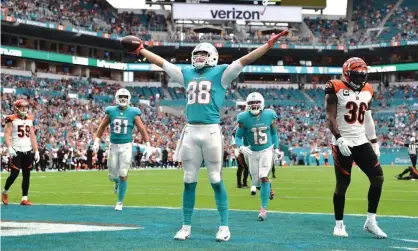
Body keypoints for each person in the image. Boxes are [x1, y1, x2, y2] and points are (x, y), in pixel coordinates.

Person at [131, 30, 288, 241]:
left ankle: (224, 226)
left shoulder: (221, 73)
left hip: (211, 130)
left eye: (203, 54)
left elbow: (245, 59)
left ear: (212, 56)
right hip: (190, 131)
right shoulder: (187, 74)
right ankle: (186, 226)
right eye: (196, 55)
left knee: (215, 179)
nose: (198, 58)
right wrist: (142, 50)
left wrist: (268, 45)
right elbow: (164, 64)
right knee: (188, 180)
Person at [325, 57, 386, 238]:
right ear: (346, 74)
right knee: (343, 184)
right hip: (342, 142)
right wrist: (339, 138)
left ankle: (371, 221)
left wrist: (374, 141)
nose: (360, 79)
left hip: (361, 141)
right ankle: (339, 224)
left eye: (362, 75)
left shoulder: (368, 89)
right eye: (356, 75)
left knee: (378, 178)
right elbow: (330, 117)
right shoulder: (335, 87)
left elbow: (367, 117)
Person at [94, 88, 150, 211]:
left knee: (123, 172)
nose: (123, 99)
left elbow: (141, 129)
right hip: (113, 146)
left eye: (125, 97)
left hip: (126, 146)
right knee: (112, 175)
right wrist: (97, 140)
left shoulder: (134, 112)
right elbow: (102, 126)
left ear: (128, 99)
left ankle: (119, 202)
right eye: (121, 97)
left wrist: (148, 144)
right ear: (117, 98)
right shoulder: (111, 111)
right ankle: (117, 181)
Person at [235, 92, 279, 221]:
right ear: (247, 105)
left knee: (264, 176)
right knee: (257, 184)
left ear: (262, 103)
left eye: (256, 103)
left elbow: (274, 133)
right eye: (251, 103)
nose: (254, 105)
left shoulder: (270, 114)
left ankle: (263, 209)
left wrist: (276, 148)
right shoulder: (243, 118)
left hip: (267, 150)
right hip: (252, 152)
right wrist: (241, 147)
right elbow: (238, 136)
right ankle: (268, 189)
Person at [2, 99, 40, 206]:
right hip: (16, 150)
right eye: (22, 107)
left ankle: (24, 198)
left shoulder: (30, 119)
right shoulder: (11, 119)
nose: (25, 109)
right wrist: (9, 147)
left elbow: (32, 136)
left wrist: (36, 150)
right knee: (14, 174)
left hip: (27, 150)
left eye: (26, 107)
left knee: (27, 175)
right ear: (17, 108)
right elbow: (7, 134)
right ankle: (4, 192)